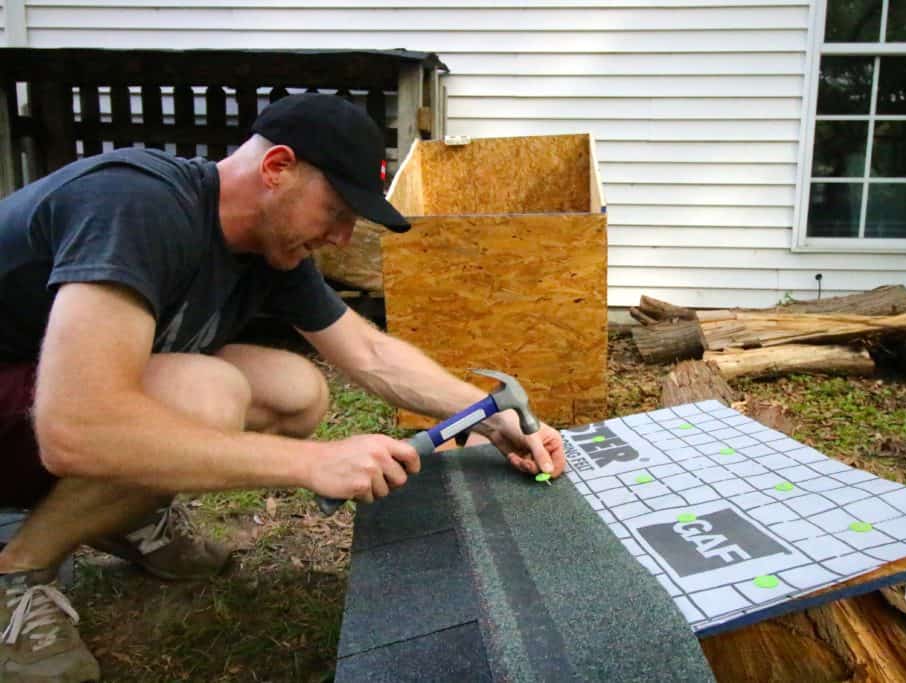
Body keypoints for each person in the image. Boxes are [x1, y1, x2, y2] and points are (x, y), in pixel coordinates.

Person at [0, 93, 566, 681]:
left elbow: (369, 353)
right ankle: (19, 571)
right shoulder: (135, 204)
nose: (344, 238)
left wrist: (488, 413)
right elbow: (75, 429)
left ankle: (126, 513)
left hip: (38, 405)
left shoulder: (265, 251)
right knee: (206, 390)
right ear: (277, 169)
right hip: (38, 415)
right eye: (339, 211)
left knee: (294, 389)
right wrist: (309, 463)